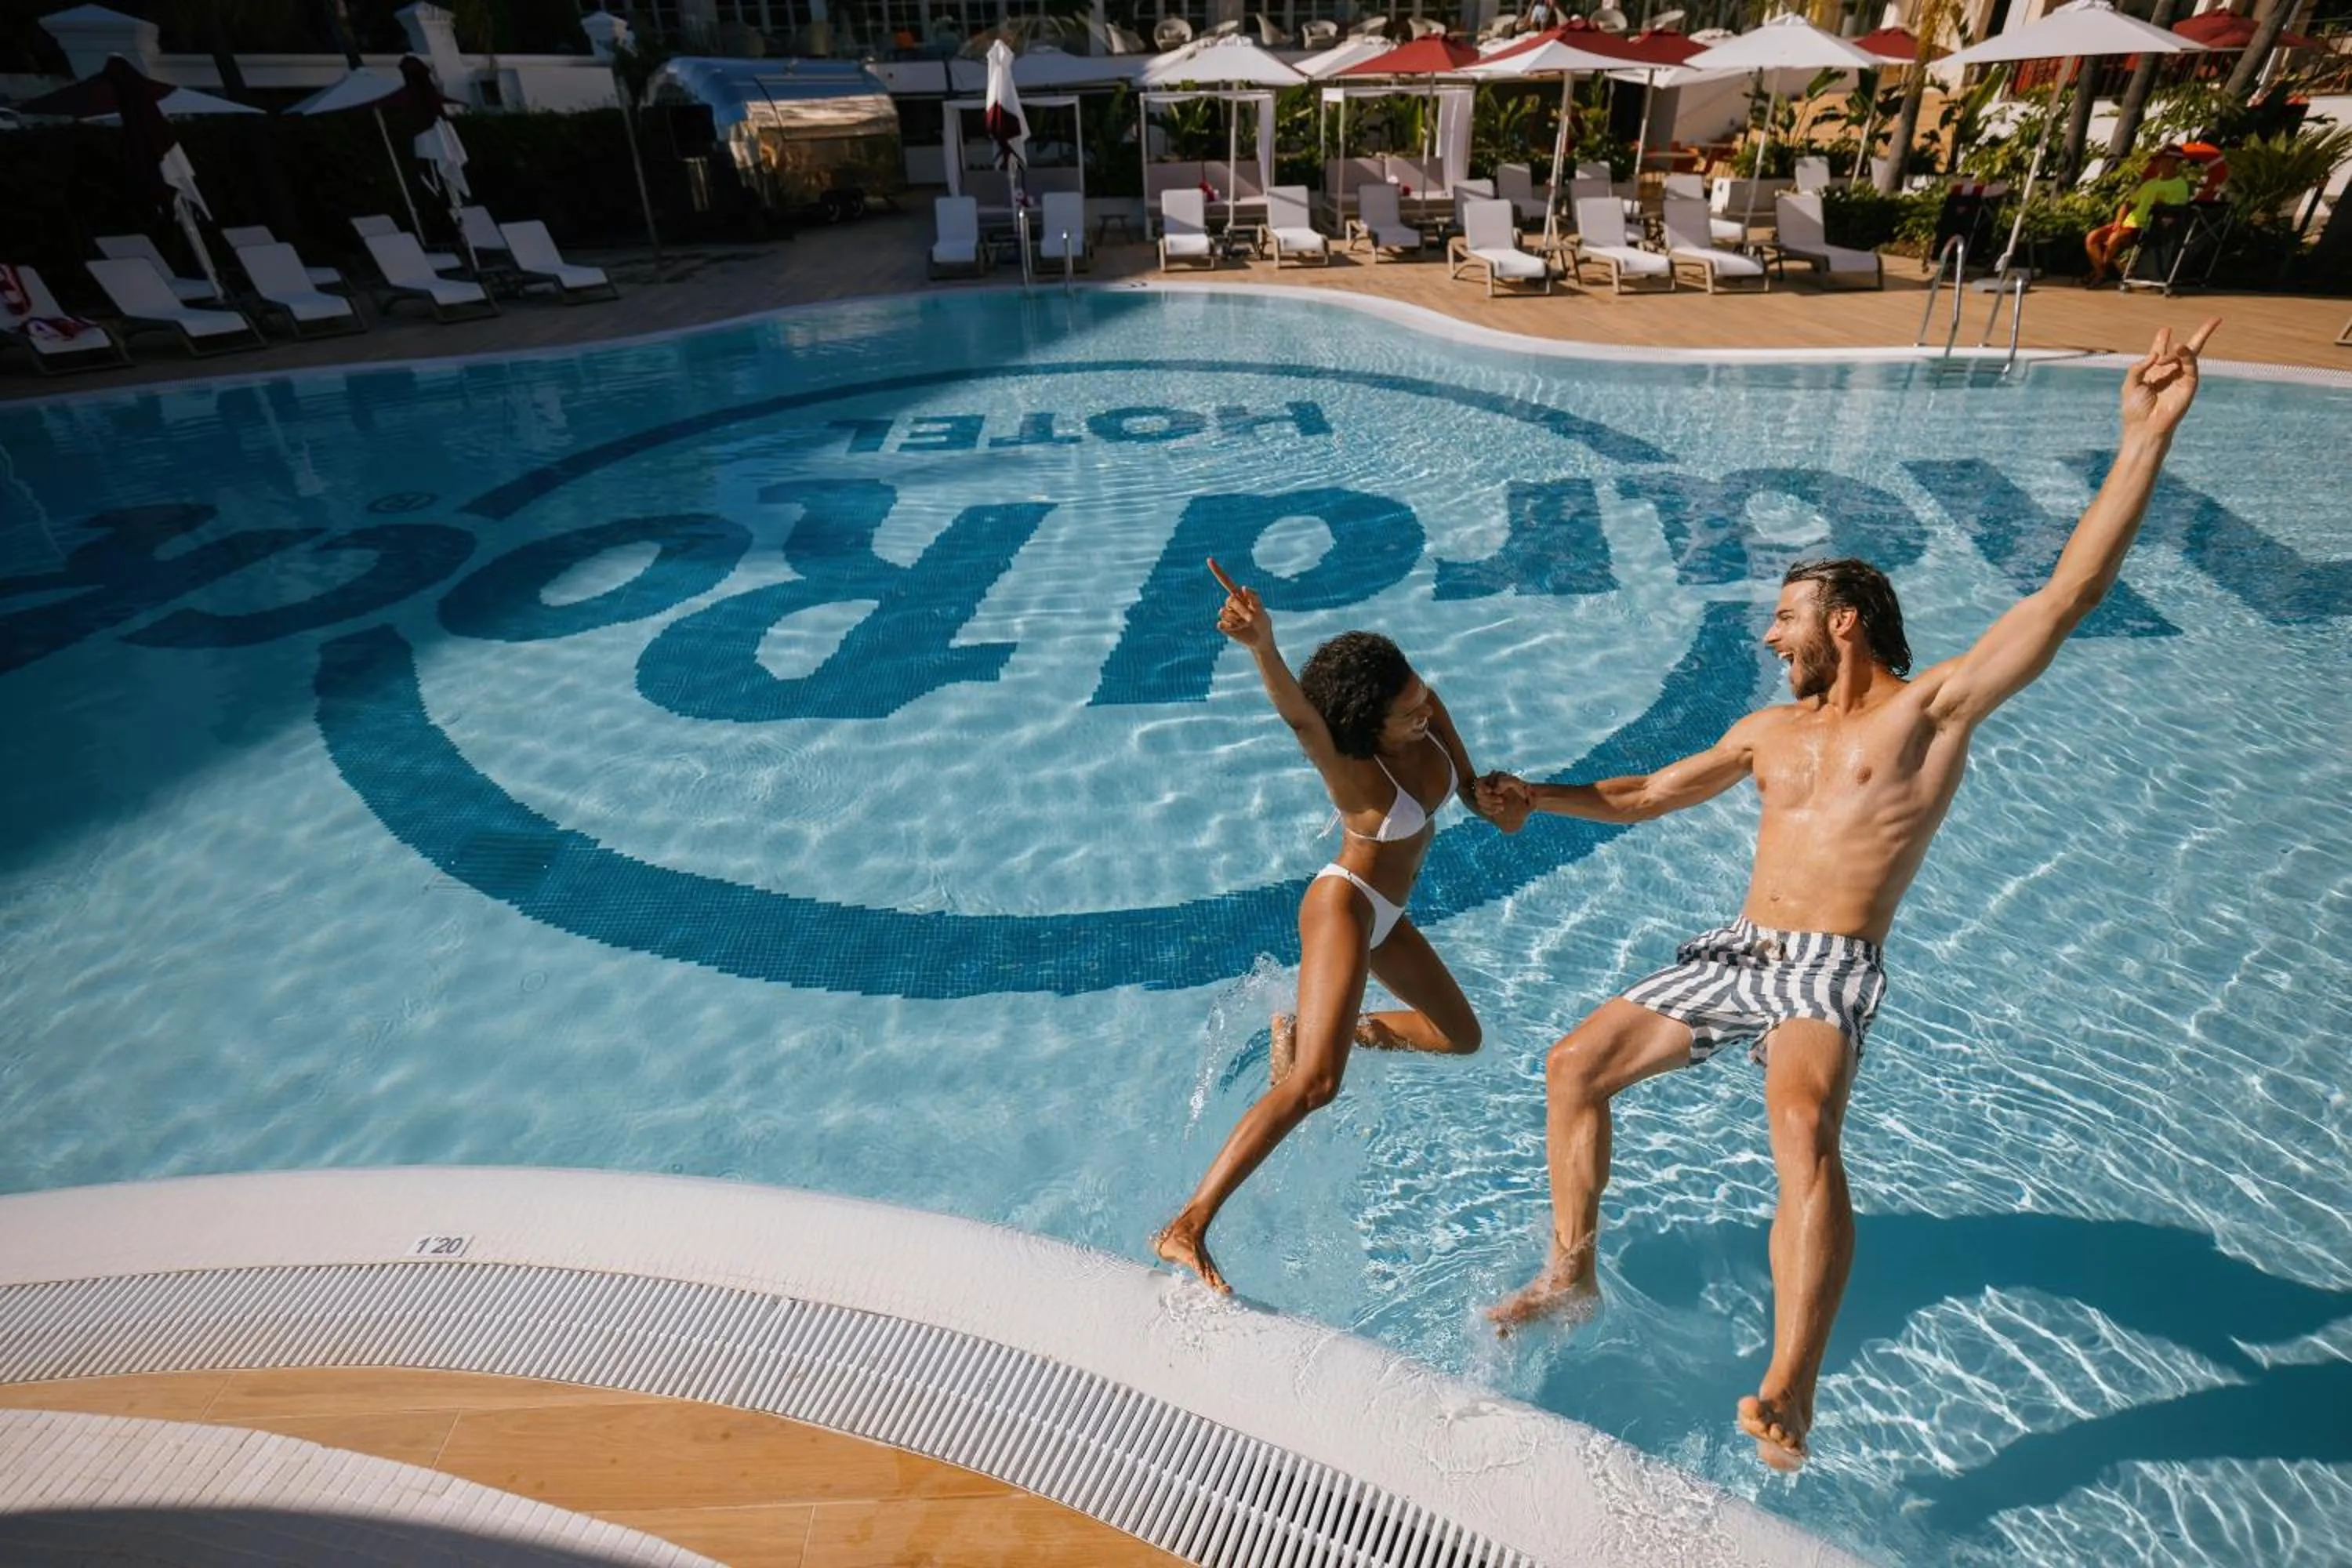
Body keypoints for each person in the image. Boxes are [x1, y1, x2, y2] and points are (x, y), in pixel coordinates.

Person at [1475, 321, 2221, 1472]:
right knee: (1574, 1066)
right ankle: (1570, 1275)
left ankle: (1792, 1384)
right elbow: (1640, 796)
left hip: (1830, 961)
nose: (1769, 637)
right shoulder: (1768, 730)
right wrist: (1541, 797)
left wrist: (2142, 439)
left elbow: (2071, 594)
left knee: (1802, 1127)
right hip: (1738, 949)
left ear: (1844, 621)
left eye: (1784, 618)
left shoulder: (1930, 711)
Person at [1155, 559, 1493, 1295]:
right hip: (1345, 906)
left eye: (1420, 694)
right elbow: (1301, 717)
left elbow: (1464, 781)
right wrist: (1262, 647)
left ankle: (1314, 1026)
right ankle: (1187, 1224)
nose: (1424, 712)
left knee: (1458, 1036)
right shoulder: (1356, 773)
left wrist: (1489, 794)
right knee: (1318, 1084)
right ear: (1367, 727)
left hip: (1389, 917)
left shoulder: (1426, 713)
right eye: (1405, 711)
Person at [2083, 144, 2192, 287]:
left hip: (2147, 226)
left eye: (2163, 160)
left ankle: (2099, 274)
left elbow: (2176, 210)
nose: (2159, 164)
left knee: (2115, 238)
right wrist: (2119, 221)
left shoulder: (2180, 185)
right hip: (2129, 223)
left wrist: (2161, 206)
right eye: (2158, 160)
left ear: (2173, 161)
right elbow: (2127, 205)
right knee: (2093, 237)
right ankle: (2101, 272)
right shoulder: (2150, 184)